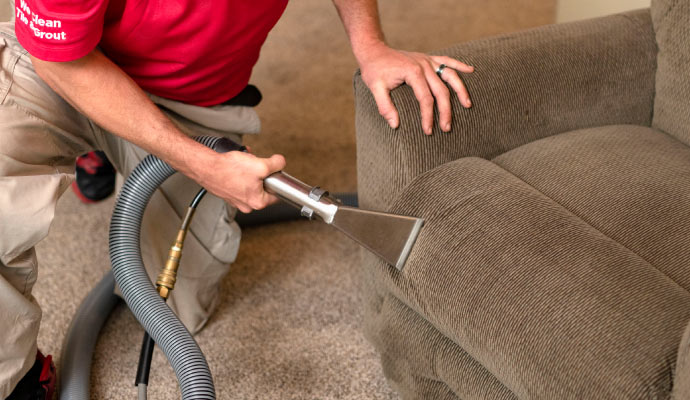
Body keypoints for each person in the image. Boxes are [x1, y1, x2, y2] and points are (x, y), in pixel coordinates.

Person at [0, 0, 474, 398]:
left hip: (192, 97)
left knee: (180, 310)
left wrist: (370, 45)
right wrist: (204, 165)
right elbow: (57, 56)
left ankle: (115, 145)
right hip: (64, 67)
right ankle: (20, 382)